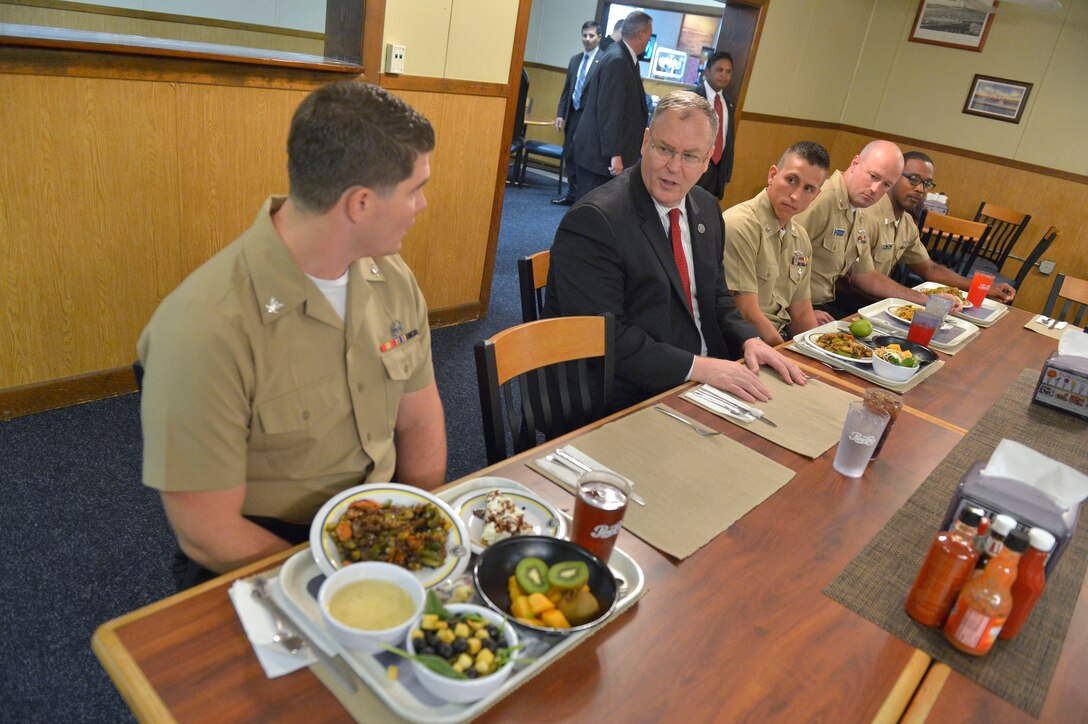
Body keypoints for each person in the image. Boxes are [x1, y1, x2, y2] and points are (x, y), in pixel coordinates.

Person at [137, 81, 447, 590]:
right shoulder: (204, 328)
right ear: (360, 204)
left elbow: (419, 418)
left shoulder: (391, 278)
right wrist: (336, 584)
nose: (423, 205)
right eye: (415, 189)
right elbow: (208, 534)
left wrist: (419, 535)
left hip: (381, 524)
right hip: (270, 553)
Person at [545, 91, 807, 412]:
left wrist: (748, 339)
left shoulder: (707, 208)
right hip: (629, 392)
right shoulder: (595, 220)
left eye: (690, 156)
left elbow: (716, 296)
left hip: (705, 374)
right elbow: (604, 338)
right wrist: (700, 368)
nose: (673, 167)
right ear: (645, 142)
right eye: (664, 149)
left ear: (708, 158)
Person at [792, 140, 960, 323]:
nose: (875, 190)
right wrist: (803, 312)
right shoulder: (822, 199)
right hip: (796, 310)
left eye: (886, 185)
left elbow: (866, 275)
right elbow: (776, 262)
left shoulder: (857, 209)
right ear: (855, 163)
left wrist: (927, 300)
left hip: (818, 308)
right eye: (873, 176)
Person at [870, 151, 1016, 302]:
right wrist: (919, 299)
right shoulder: (868, 213)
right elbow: (857, 278)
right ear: (892, 176)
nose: (920, 189)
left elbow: (930, 269)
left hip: (877, 303)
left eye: (926, 184)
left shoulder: (906, 223)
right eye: (913, 179)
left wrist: (985, 288)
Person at [723, 142, 831, 345]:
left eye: (808, 189)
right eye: (791, 180)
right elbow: (747, 314)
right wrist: (786, 356)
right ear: (773, 175)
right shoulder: (740, 225)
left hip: (778, 341)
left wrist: (817, 357)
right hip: (741, 343)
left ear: (816, 195)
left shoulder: (800, 237)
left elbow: (801, 314)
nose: (795, 196)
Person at [571, 11, 653, 200]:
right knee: (590, 210)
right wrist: (614, 154)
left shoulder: (623, 56)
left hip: (604, 154)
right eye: (649, 34)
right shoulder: (618, 59)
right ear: (641, 34)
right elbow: (610, 111)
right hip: (601, 157)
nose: (650, 39)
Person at [552, 21, 603, 206]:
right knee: (570, 156)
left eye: (591, 36)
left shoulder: (603, 60)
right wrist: (560, 114)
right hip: (572, 115)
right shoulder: (575, 60)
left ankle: (581, 199)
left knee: (583, 158)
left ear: (599, 37)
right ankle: (571, 193)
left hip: (588, 120)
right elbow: (567, 90)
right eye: (585, 35)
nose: (587, 39)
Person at [692, 51, 736, 200]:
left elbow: (728, 138)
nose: (724, 75)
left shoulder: (729, 103)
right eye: (719, 70)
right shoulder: (693, 97)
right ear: (707, 71)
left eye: (728, 71)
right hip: (694, 166)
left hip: (717, 170)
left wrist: (727, 172)